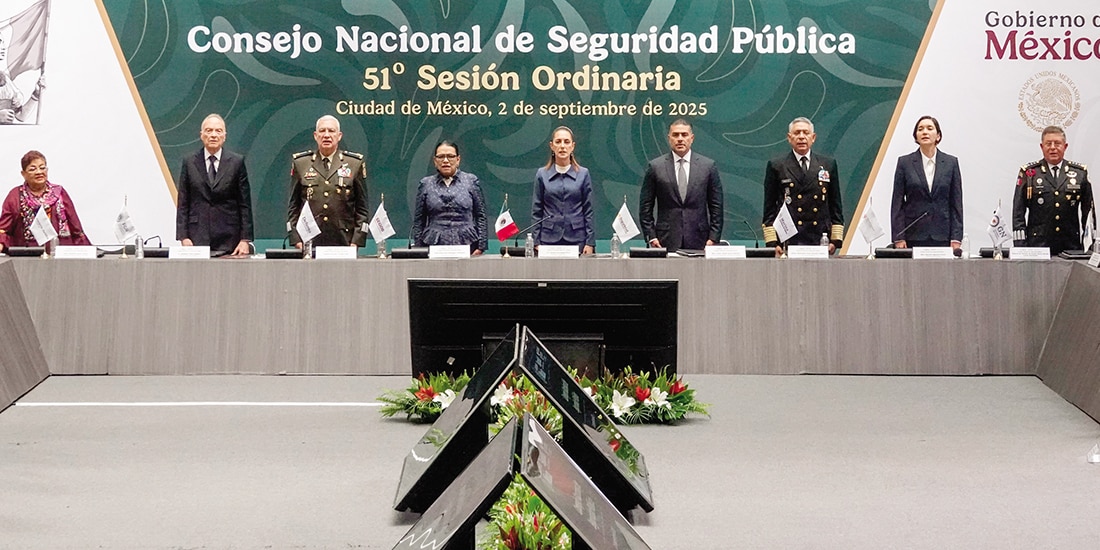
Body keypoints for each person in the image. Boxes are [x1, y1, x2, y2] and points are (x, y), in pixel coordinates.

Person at [762, 117, 844, 255]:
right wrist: (773, 242)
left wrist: (834, 241)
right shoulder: (777, 166)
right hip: (788, 239)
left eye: (806, 133)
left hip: (819, 238)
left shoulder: (828, 165)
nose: (801, 137)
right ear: (789, 137)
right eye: (797, 133)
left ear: (813, 137)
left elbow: (835, 206)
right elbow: (769, 208)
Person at [639, 119, 724, 251]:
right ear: (669, 138)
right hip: (665, 240)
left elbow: (716, 206)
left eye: (684, 135)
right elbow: (645, 207)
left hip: (700, 239)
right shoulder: (655, 167)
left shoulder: (708, 166)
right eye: (675, 135)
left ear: (692, 138)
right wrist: (651, 235)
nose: (680, 139)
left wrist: (714, 237)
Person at [175, 114, 253, 256]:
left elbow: (244, 204)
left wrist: (245, 239)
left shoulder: (237, 162)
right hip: (196, 237)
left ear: (224, 136)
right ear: (201, 135)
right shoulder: (189, 162)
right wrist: (183, 236)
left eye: (218, 131)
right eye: (209, 130)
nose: (213, 135)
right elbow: (183, 202)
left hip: (230, 238)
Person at [287, 115, 369, 248]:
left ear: (339, 136)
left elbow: (362, 209)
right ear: (315, 135)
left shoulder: (354, 163)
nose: (326, 135)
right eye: (322, 131)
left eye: (331, 131)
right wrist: (296, 239)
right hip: (309, 240)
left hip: (344, 240)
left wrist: (356, 241)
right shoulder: (301, 163)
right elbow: (293, 206)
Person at [1012, 125, 1094, 255]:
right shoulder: (1029, 173)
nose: (1053, 148)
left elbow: (1088, 214)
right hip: (1037, 246)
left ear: (1065, 146)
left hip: (1070, 246)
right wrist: (1021, 247)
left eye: (1057, 143)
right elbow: (1018, 213)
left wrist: (1090, 245)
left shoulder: (1079, 174)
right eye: (1048, 143)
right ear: (1041, 147)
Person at [890, 116, 963, 249]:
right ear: (916, 137)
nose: (925, 132)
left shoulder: (951, 163)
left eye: (930, 128)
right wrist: (898, 236)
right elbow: (897, 204)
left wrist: (956, 237)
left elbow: (956, 203)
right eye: (920, 129)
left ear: (938, 136)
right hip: (913, 235)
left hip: (943, 235)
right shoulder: (904, 163)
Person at [0, 150, 91, 251]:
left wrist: (86, 251)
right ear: (23, 174)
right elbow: (3, 229)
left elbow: (76, 229)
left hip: (60, 254)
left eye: (42, 168)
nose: (39, 172)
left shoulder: (59, 192)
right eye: (32, 169)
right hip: (28, 255)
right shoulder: (15, 196)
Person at [410, 140, 488, 255]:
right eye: (441, 157)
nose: (445, 161)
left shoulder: (471, 181)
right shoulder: (426, 184)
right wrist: (419, 249)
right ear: (435, 161)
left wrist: (481, 247)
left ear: (458, 159)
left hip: (468, 245)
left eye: (450, 156)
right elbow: (419, 220)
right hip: (433, 245)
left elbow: (481, 216)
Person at [531, 126, 595, 255]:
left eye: (566, 142)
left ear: (573, 146)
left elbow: (589, 211)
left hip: (577, 239)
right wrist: (535, 241)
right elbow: (536, 211)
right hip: (548, 239)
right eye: (558, 142)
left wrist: (590, 242)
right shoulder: (542, 174)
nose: (562, 146)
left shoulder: (583, 174)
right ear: (551, 146)